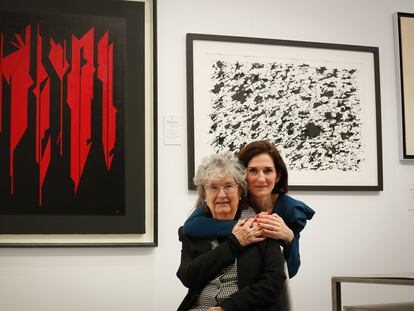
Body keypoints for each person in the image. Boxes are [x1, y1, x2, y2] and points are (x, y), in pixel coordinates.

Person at [183, 140, 315, 278]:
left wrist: (290, 238)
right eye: (253, 171)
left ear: (278, 176)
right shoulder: (230, 199)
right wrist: (242, 227)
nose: (261, 178)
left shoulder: (291, 210)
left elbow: (292, 270)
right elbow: (189, 227)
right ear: (242, 175)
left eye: (268, 171)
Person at [177, 152, 287, 311]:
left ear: (240, 191)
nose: (221, 194)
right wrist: (234, 244)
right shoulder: (193, 232)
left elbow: (272, 282)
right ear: (205, 194)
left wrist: (227, 307)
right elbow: (188, 277)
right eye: (214, 187)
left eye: (228, 186)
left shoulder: (260, 225)